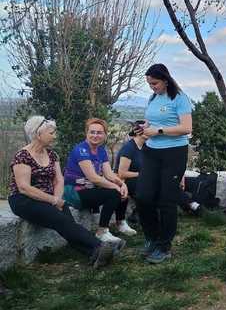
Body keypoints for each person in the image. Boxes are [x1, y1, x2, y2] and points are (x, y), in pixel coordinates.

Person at [9, 116, 114, 268]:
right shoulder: (22, 156)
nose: (55, 136)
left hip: (51, 198)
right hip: (24, 199)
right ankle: (99, 246)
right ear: (38, 135)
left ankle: (94, 253)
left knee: (67, 224)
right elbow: (24, 187)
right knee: (61, 220)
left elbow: (59, 180)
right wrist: (53, 201)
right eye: (51, 133)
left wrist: (57, 199)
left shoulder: (52, 155)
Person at [136, 63, 192, 264]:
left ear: (165, 80)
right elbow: (150, 123)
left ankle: (164, 246)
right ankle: (152, 237)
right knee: (143, 195)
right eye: (150, 84)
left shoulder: (180, 98)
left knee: (166, 199)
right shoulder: (153, 98)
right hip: (152, 151)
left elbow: (186, 128)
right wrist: (143, 128)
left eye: (155, 83)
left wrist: (158, 131)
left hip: (174, 153)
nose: (152, 87)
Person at [64, 118, 132, 250]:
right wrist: (116, 186)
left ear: (105, 135)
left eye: (99, 133)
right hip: (74, 192)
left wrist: (121, 183)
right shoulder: (81, 150)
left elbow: (109, 174)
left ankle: (121, 222)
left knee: (122, 189)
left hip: (89, 189)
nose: (95, 135)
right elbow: (94, 178)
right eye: (92, 132)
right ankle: (102, 232)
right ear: (86, 133)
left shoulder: (101, 150)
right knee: (114, 193)